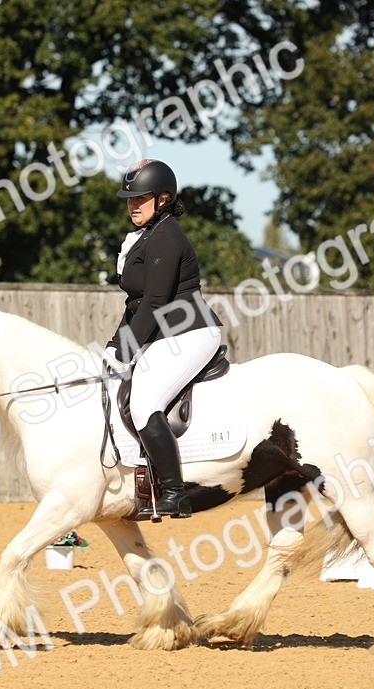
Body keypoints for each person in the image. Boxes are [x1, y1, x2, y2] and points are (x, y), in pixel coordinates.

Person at [104, 160, 223, 518]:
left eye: (141, 198)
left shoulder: (167, 237)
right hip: (164, 333)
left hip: (192, 332)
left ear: (164, 199)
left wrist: (126, 348)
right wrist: (115, 344)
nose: (133, 204)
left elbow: (156, 301)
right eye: (129, 199)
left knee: (143, 403)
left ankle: (175, 492)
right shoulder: (146, 237)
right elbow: (136, 303)